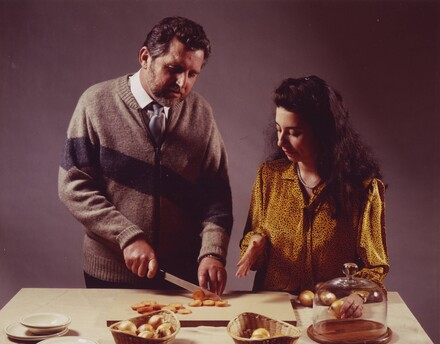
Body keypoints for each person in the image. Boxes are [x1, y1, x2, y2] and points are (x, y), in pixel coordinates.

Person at [58, 16, 232, 295]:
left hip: (180, 275)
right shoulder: (95, 103)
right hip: (109, 276)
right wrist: (126, 236)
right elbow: (74, 185)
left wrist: (212, 252)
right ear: (145, 57)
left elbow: (217, 196)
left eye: (192, 74)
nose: (181, 82)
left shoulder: (201, 114)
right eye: (173, 68)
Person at [236, 75, 389, 318]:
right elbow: (255, 249)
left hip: (333, 314)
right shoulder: (269, 177)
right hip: (274, 313)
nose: (280, 141)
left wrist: (357, 295)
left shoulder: (363, 190)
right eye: (278, 129)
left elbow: (374, 265)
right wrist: (255, 244)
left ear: (324, 133)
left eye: (294, 132)